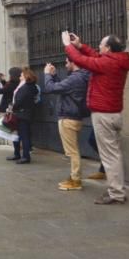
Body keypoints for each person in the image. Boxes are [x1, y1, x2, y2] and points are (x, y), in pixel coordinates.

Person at [63, 31, 129, 205]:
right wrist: (80, 46)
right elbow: (94, 57)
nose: (99, 47)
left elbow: (81, 61)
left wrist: (68, 46)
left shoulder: (107, 64)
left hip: (104, 115)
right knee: (114, 155)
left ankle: (116, 193)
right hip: (113, 114)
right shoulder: (116, 61)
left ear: (108, 48)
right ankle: (117, 190)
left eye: (101, 45)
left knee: (109, 157)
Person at [43, 57, 91, 190]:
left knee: (72, 152)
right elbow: (63, 89)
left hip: (68, 117)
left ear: (73, 62)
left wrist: (47, 74)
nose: (65, 64)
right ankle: (74, 176)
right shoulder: (81, 77)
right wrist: (54, 76)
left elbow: (50, 88)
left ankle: (75, 180)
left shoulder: (75, 78)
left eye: (66, 62)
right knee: (73, 150)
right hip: (74, 116)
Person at [8, 67, 39, 164]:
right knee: (16, 135)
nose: (20, 76)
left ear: (25, 76)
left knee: (24, 136)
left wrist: (12, 107)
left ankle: (26, 157)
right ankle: (17, 154)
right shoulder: (25, 86)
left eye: (21, 75)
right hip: (21, 113)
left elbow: (20, 101)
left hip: (23, 114)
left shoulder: (26, 87)